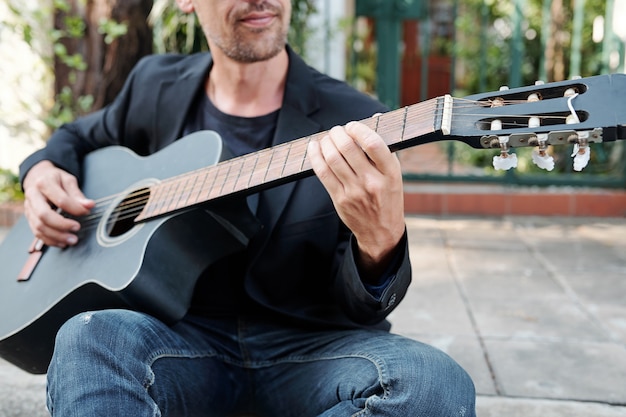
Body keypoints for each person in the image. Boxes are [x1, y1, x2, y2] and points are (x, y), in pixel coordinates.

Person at [19, 0, 476, 416]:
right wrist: (42, 171)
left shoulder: (357, 121)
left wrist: (380, 242)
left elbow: (364, 310)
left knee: (433, 385)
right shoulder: (155, 84)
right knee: (87, 337)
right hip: (178, 346)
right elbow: (77, 137)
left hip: (310, 355)